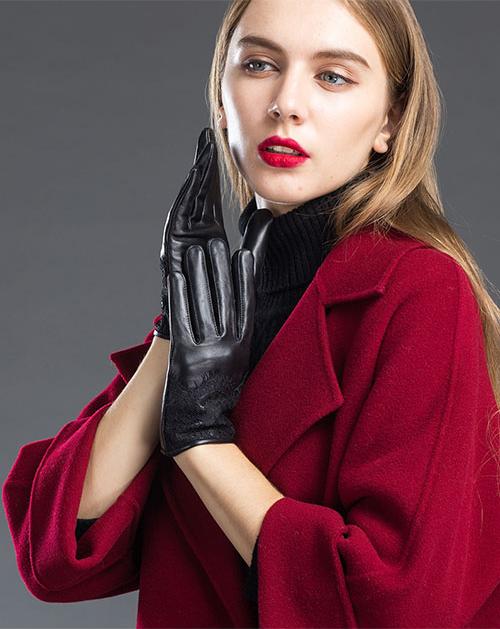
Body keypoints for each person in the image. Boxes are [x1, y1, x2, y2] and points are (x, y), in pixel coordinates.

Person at [3, 0, 500, 627]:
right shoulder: (229, 298)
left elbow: (396, 605)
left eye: (333, 76)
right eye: (260, 65)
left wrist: (202, 439)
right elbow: (56, 549)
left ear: (390, 121)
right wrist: (175, 332)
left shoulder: (419, 291)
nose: (286, 104)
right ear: (221, 96)